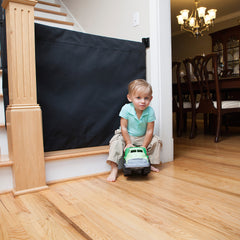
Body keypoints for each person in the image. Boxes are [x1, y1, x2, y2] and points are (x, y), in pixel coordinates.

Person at [107, 79, 162, 182]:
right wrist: (128, 143)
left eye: (146, 98)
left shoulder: (150, 111)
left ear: (151, 99)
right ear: (130, 98)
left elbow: (149, 131)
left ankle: (149, 164)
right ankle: (114, 168)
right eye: (138, 98)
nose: (143, 101)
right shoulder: (126, 109)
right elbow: (123, 127)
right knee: (116, 142)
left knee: (156, 141)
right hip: (126, 135)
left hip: (142, 137)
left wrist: (144, 146)